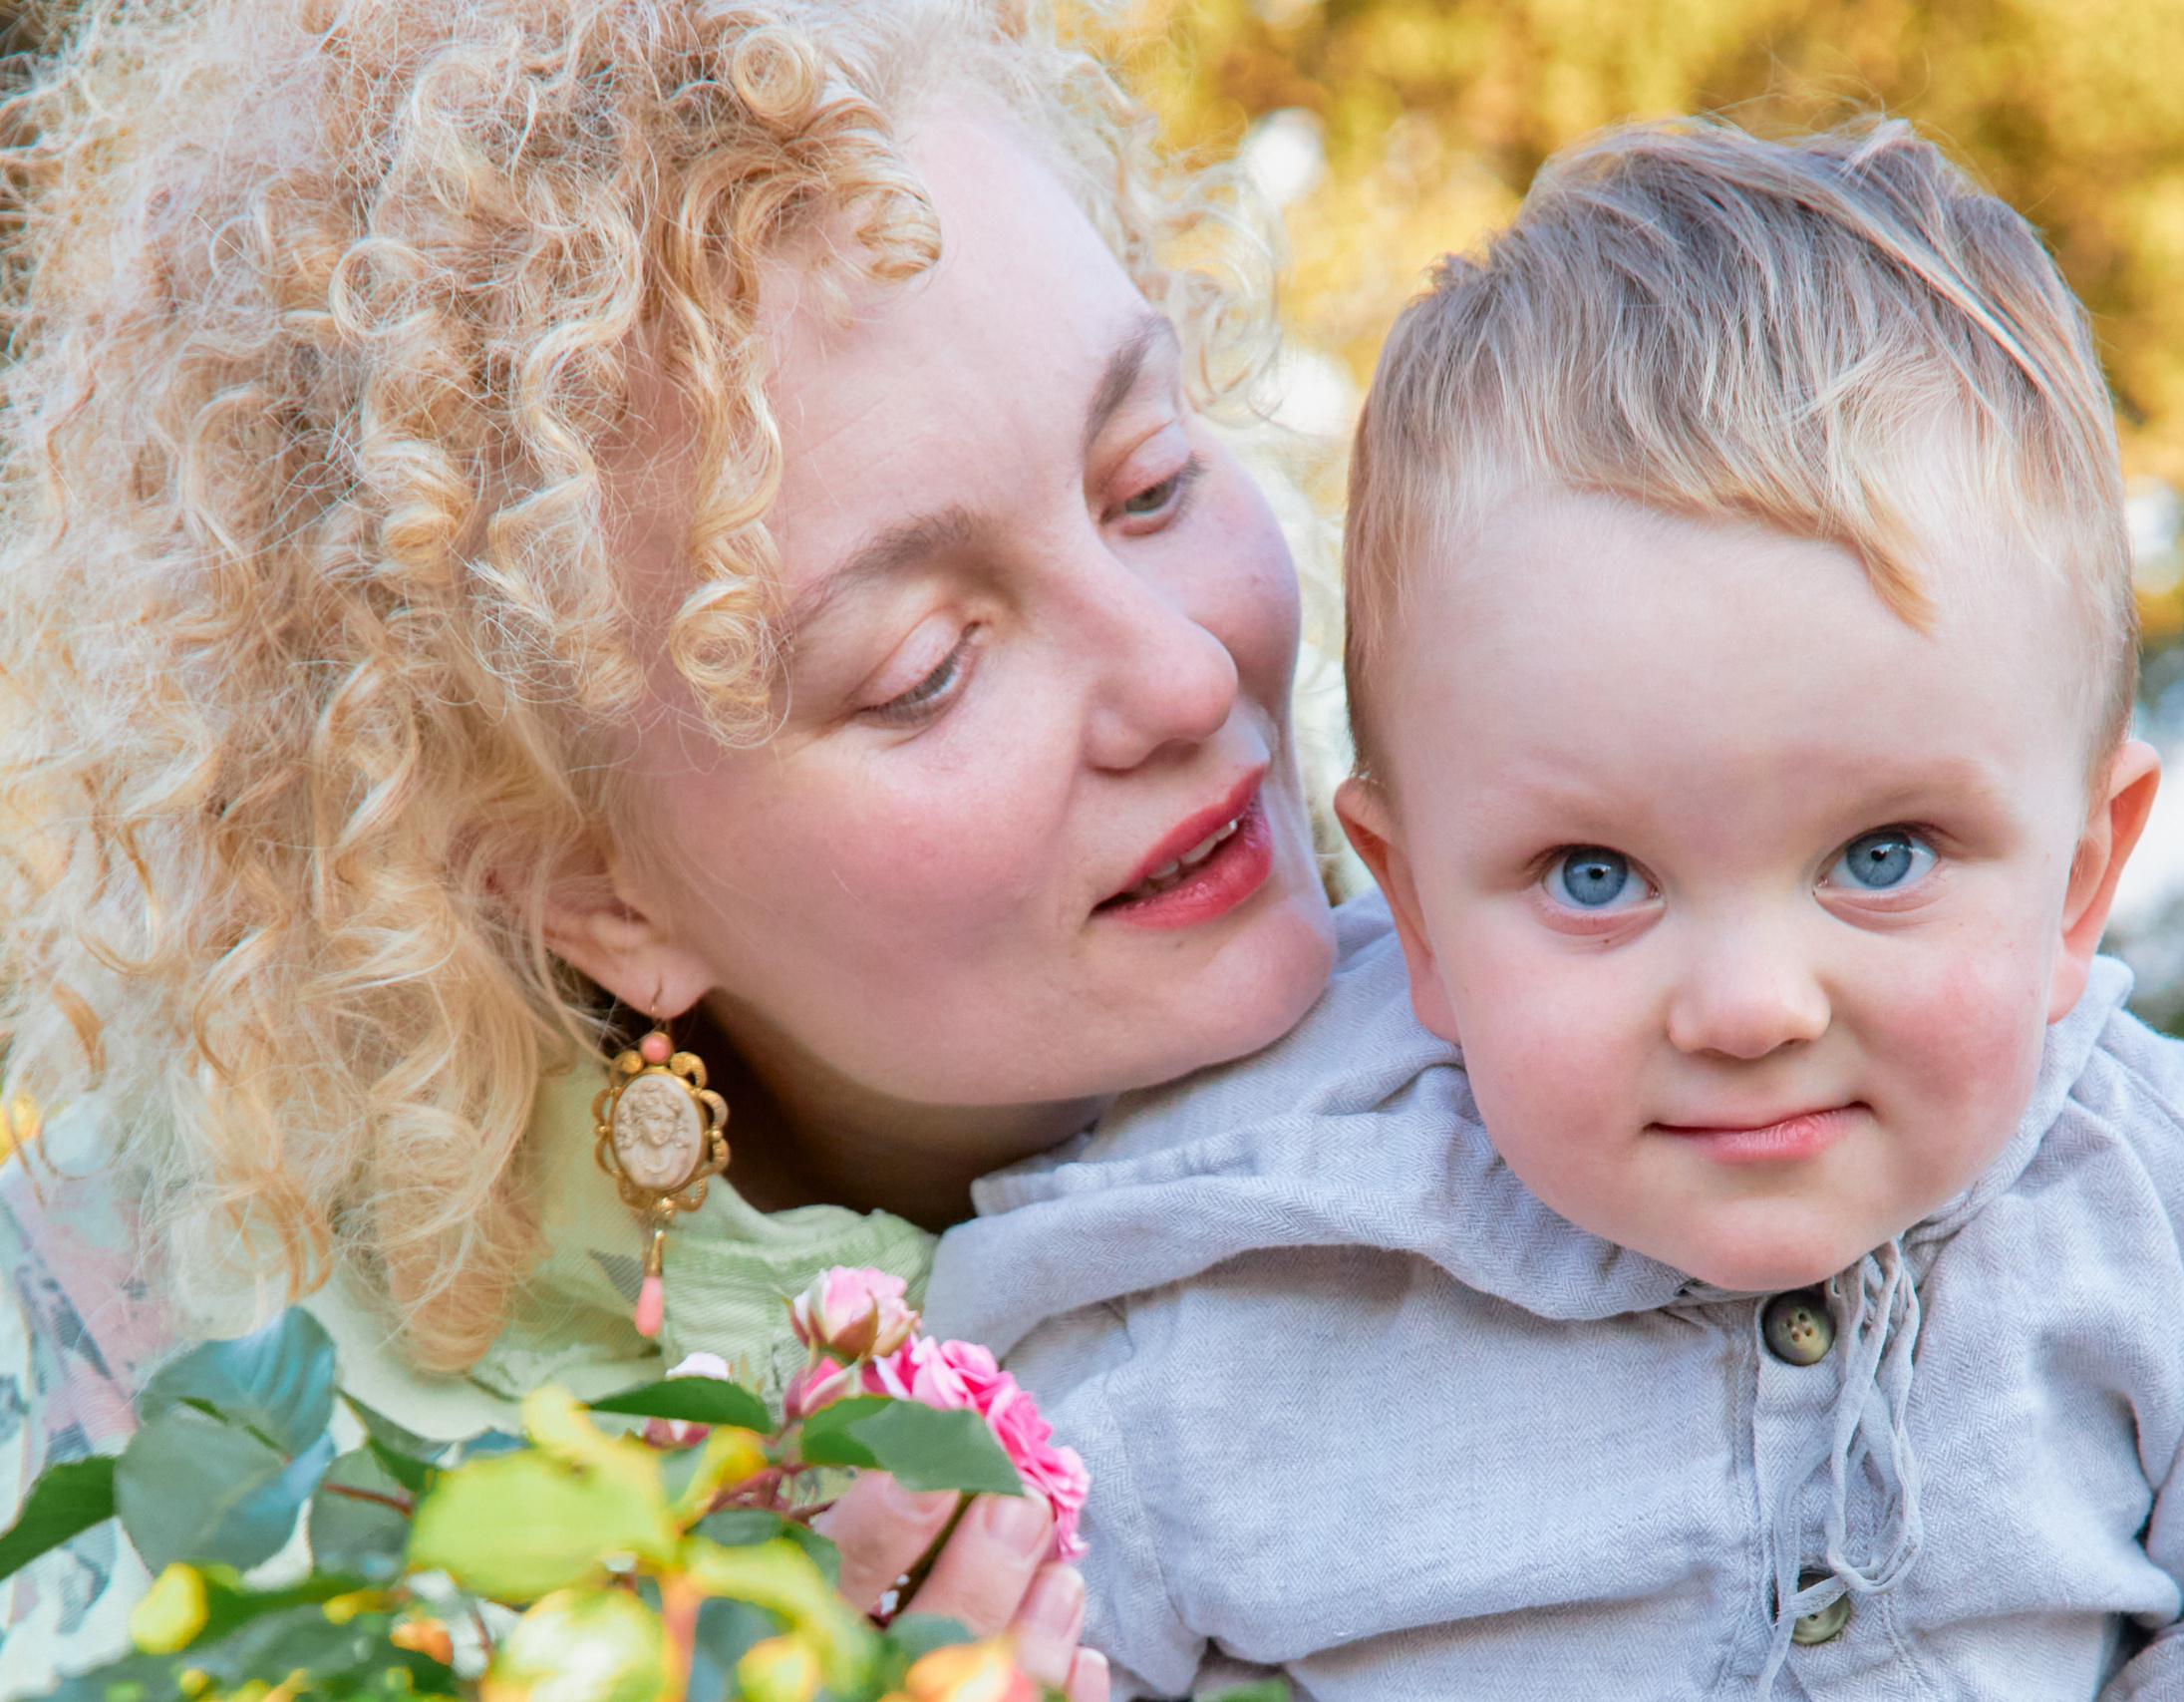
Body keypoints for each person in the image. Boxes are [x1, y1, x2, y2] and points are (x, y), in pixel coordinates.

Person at [928, 119, 2184, 1697]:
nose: (1752, 1004)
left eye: (1884, 855)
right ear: (1417, 916)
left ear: (2079, 877)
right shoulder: (1234, 1301)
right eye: (1596, 880)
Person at [0, 1, 1344, 1694]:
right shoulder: (167, 1408)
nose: (1187, 671)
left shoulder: (1626, 936)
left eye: (1149, 481)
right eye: (927, 669)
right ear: (597, 892)